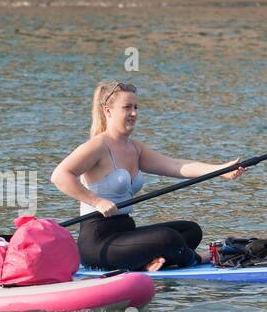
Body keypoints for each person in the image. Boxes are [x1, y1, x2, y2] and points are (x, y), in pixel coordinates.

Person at [50, 81, 245, 271]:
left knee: (191, 230)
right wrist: (97, 201)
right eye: (127, 107)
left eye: (136, 107)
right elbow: (60, 176)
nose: (134, 113)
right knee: (167, 239)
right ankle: (204, 257)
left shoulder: (135, 148)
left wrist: (220, 170)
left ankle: (149, 262)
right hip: (99, 243)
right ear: (108, 111)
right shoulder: (97, 146)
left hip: (125, 233)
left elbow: (177, 166)